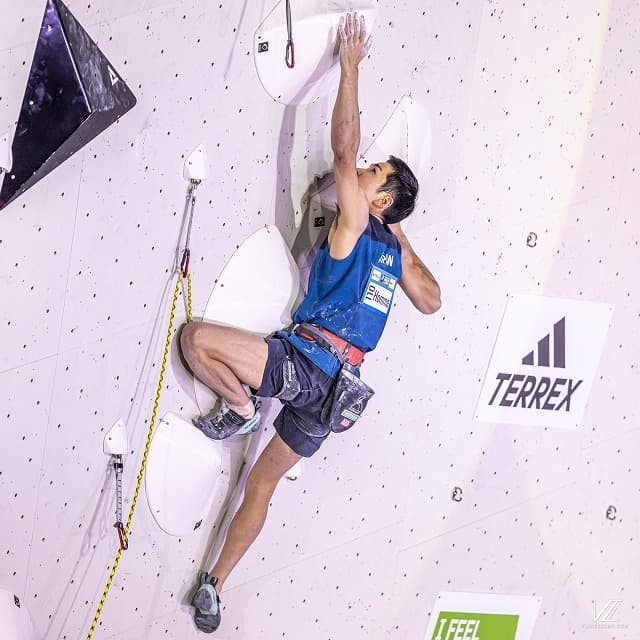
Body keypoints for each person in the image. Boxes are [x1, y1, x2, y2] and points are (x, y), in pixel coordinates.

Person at [179, 12, 441, 633]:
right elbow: (431, 300)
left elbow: (343, 149)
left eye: (373, 177)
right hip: (337, 396)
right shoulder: (393, 255)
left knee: (196, 340)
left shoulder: (357, 225)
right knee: (261, 486)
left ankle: (239, 406)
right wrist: (400, 232)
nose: (359, 171)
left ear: (378, 201)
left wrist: (349, 68)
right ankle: (214, 587)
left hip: (305, 365)